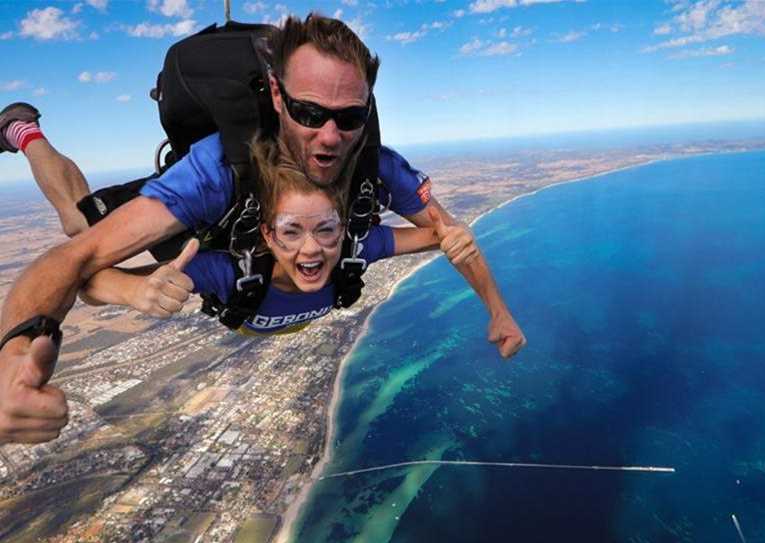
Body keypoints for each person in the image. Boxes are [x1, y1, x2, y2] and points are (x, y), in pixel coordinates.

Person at [0, 14, 526, 443]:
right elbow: (73, 267)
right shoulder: (216, 175)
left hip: (242, 272)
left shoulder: (373, 167)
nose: (329, 136)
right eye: (307, 110)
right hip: (202, 233)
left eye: (349, 117)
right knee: (77, 223)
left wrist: (498, 310)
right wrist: (15, 355)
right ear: (276, 96)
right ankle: (23, 131)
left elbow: (449, 234)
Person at [84, 137, 481, 335]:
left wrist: (457, 241)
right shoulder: (227, 272)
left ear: (343, 230)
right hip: (219, 261)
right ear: (268, 237)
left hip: (252, 312)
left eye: (326, 230)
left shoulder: (355, 249)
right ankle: (26, 132)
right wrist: (131, 291)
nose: (311, 248)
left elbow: (438, 235)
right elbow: (88, 281)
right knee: (78, 226)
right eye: (292, 232)